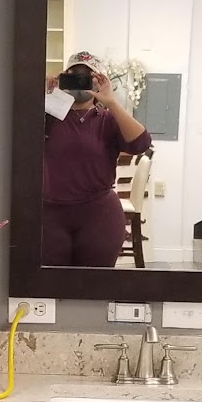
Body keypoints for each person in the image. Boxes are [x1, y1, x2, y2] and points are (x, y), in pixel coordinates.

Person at [42, 51, 153, 267]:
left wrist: (111, 102)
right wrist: (45, 94)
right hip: (50, 216)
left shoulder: (108, 120)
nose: (79, 81)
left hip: (99, 216)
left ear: (100, 81)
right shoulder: (49, 117)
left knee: (95, 284)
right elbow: (19, 135)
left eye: (88, 76)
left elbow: (141, 144)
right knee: (50, 284)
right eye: (73, 75)